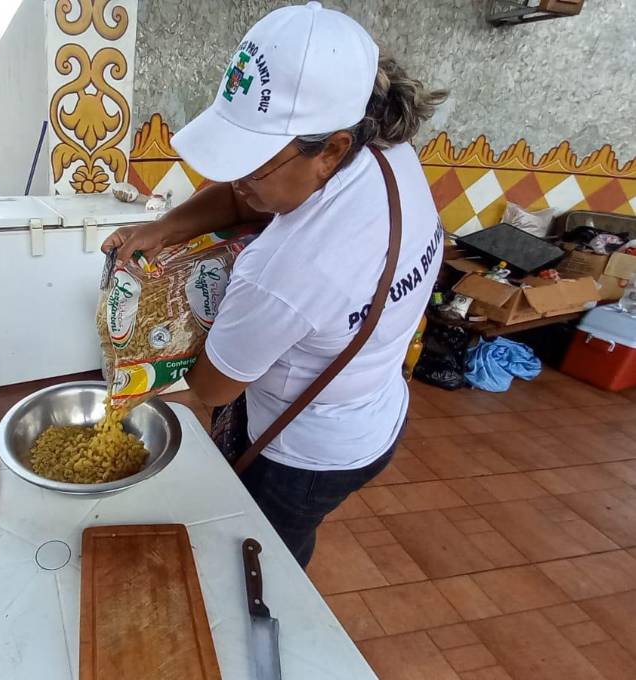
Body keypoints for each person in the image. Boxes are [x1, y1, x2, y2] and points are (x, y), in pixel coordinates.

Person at [102, 2, 447, 568]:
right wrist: (165, 227)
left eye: (254, 162)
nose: (236, 180)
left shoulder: (287, 268)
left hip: (305, 455)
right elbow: (249, 198)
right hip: (377, 409)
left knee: (266, 556)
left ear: (331, 149)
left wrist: (169, 330)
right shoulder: (386, 151)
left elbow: (212, 388)